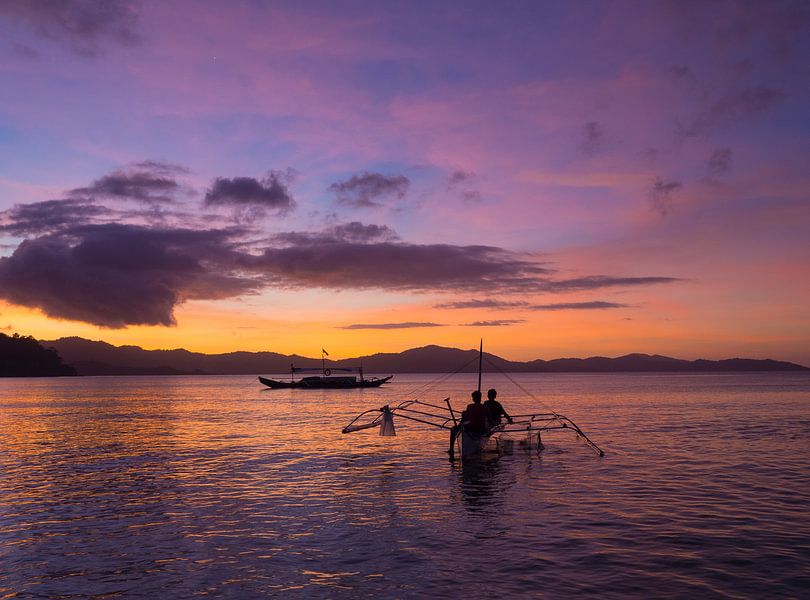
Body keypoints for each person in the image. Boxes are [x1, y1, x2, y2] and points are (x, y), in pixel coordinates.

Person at [448, 390, 488, 456]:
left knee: (453, 429)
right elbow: (489, 419)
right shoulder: (485, 407)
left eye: (473, 397)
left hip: (472, 428)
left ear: (473, 398)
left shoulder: (469, 406)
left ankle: (451, 449)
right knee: (462, 425)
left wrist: (463, 416)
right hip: (481, 429)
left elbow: (466, 418)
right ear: (480, 398)